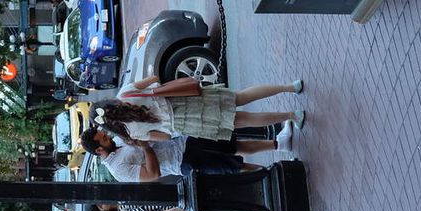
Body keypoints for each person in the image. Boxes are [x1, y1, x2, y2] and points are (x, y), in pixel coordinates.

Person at [93, 75, 305, 143]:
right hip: (184, 99)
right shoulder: (126, 94)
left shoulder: (132, 133)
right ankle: (290, 87)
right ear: (108, 105)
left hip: (187, 122)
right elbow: (155, 79)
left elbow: (165, 138)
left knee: (243, 120)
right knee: (240, 97)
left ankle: (291, 115)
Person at [79, 125, 282, 182]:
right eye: (103, 139)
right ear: (99, 150)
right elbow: (152, 175)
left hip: (183, 142)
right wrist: (145, 147)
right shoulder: (118, 169)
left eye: (104, 135)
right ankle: (274, 173)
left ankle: (278, 144)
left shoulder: (116, 141)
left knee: (231, 145)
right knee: (234, 166)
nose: (108, 137)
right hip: (183, 161)